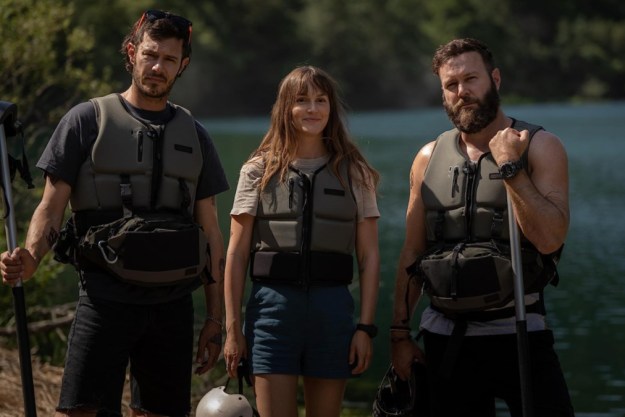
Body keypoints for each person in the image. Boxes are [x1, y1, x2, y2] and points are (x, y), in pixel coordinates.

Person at [0, 9, 229, 417]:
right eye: (150, 55)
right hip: (105, 297)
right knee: (81, 410)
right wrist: (31, 258)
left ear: (183, 66)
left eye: (169, 59)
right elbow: (50, 209)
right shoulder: (85, 121)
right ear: (132, 52)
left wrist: (215, 317)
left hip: (173, 302)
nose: (158, 67)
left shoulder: (196, 135)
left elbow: (210, 231)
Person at [390, 38, 575, 417]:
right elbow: (411, 253)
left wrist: (510, 168)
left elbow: (550, 238)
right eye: (451, 85)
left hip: (520, 333)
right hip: (446, 339)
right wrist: (399, 336)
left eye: (471, 79)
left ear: (495, 79)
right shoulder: (427, 157)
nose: (462, 92)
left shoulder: (540, 146)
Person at [223, 66, 380, 417]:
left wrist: (365, 328)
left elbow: (369, 258)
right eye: (302, 100)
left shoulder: (355, 172)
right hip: (272, 314)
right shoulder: (257, 170)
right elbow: (235, 255)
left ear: (331, 108)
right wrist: (233, 330)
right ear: (285, 109)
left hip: (332, 312)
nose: (313, 109)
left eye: (320, 100)